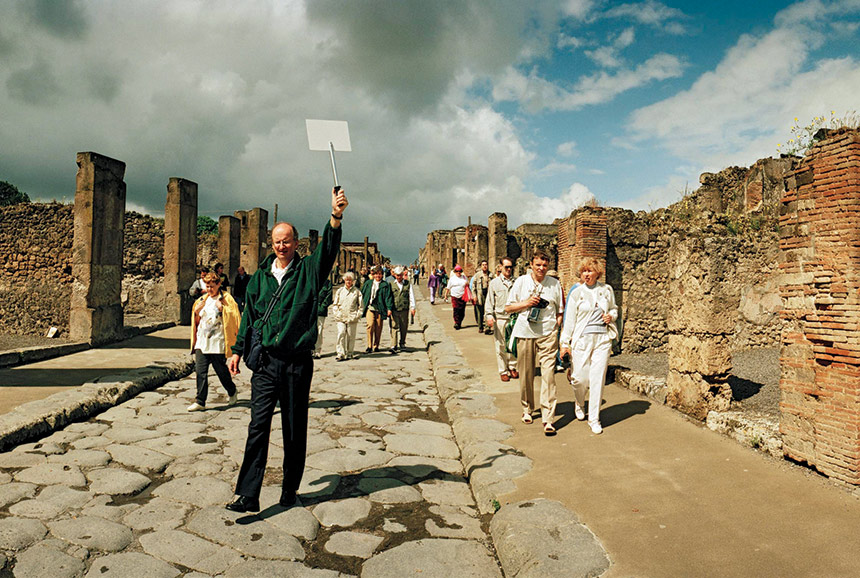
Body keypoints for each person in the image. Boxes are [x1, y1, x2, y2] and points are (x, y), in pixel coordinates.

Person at [223, 187, 347, 513]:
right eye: (277, 241)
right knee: (258, 426)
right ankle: (248, 494)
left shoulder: (308, 271)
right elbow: (249, 317)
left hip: (296, 363)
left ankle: (289, 489)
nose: (281, 246)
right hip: (265, 362)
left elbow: (329, 251)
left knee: (293, 427)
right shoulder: (259, 277)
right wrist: (237, 351)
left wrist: (335, 217)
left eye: (287, 240)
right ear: (271, 243)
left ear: (296, 243)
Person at [505, 250, 564, 436]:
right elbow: (508, 308)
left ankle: (548, 418)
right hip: (525, 332)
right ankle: (527, 408)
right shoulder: (521, 282)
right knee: (526, 374)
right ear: (531, 264)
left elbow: (560, 310)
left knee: (549, 376)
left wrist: (557, 325)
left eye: (545, 265)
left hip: (547, 333)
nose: (541, 268)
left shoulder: (554, 284)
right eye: (538, 265)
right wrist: (527, 303)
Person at [560, 258, 618, 435]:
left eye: (590, 271)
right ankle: (579, 402)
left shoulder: (606, 290)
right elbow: (569, 321)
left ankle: (594, 419)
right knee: (579, 378)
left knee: (597, 379)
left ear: (597, 273)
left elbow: (615, 308)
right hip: (582, 340)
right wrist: (564, 343)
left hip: (601, 339)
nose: (586, 274)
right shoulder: (577, 292)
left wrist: (611, 316)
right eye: (584, 271)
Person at [188, 272, 241, 412]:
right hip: (202, 341)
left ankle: (232, 390)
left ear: (218, 285)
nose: (209, 289)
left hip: (218, 341)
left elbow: (235, 315)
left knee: (221, 372)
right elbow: (197, 322)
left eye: (212, 286)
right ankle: (200, 401)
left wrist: (222, 308)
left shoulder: (226, 298)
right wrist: (196, 313)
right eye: (207, 286)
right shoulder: (202, 300)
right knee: (200, 371)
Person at [485, 257, 518, 382]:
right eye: (506, 267)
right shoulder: (494, 283)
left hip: (514, 318)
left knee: (514, 345)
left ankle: (512, 367)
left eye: (511, 267)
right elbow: (489, 302)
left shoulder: (517, 282)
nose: (509, 269)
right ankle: (503, 370)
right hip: (500, 318)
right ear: (500, 267)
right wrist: (489, 316)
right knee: (501, 346)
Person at [361, 265, 394, 353]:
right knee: (370, 325)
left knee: (378, 327)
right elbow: (362, 294)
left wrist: (389, 308)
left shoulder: (385, 285)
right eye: (376, 274)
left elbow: (388, 297)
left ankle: (376, 345)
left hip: (380, 308)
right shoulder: (368, 283)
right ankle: (369, 345)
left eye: (379, 274)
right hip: (370, 307)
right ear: (373, 275)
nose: (378, 276)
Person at [332, 271, 363, 361]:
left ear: (353, 281)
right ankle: (340, 353)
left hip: (352, 317)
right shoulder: (340, 291)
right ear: (344, 280)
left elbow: (361, 306)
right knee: (341, 333)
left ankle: (350, 353)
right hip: (341, 316)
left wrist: (357, 316)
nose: (348, 282)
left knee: (351, 335)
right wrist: (337, 314)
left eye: (350, 280)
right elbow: (335, 304)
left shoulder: (357, 292)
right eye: (347, 280)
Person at [388, 266, 416, 353]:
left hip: (404, 308)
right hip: (395, 308)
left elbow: (411, 296)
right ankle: (393, 344)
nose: (399, 277)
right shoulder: (391, 284)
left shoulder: (407, 284)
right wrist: (389, 308)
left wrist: (413, 307)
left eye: (400, 275)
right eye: (397, 275)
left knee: (404, 326)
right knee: (394, 326)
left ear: (402, 275)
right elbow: (389, 297)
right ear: (395, 275)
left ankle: (402, 343)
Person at [313, 276, 333, 359]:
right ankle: (310, 349)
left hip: (320, 310)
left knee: (319, 330)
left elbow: (329, 296)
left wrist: (322, 306)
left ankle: (317, 350)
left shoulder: (327, 283)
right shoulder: (312, 278)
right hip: (310, 309)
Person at [470, 260, 492, 334]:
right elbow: (473, 287)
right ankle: (480, 327)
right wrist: (474, 296)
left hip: (488, 294)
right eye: (483, 265)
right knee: (480, 312)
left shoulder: (491, 275)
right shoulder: (477, 275)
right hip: (480, 294)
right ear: (481, 266)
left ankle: (487, 327)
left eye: (486, 264)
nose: (484, 266)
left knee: (487, 311)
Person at [447, 265, 469, 330]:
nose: (458, 273)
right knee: (456, 309)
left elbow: (467, 285)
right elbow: (448, 287)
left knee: (462, 310)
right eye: (457, 271)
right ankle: (456, 322)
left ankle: (460, 321)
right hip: (454, 296)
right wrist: (446, 295)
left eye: (459, 271)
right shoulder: (452, 279)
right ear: (455, 272)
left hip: (462, 296)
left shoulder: (464, 278)